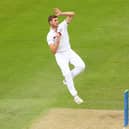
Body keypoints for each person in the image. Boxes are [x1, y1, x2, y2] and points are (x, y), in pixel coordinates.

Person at [46, 8, 86, 104]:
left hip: (69, 51)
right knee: (67, 73)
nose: (57, 21)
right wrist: (57, 41)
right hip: (60, 55)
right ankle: (75, 96)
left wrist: (61, 13)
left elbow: (72, 14)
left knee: (81, 66)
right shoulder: (49, 35)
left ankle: (67, 80)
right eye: (55, 20)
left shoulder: (62, 26)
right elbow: (53, 51)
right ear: (50, 22)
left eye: (57, 20)